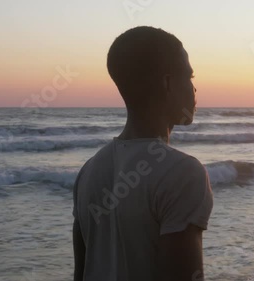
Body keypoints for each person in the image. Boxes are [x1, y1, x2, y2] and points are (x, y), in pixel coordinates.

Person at [73, 26, 213, 281]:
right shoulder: (183, 173)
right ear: (168, 82)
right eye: (189, 77)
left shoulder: (88, 172)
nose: (194, 89)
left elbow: (80, 274)